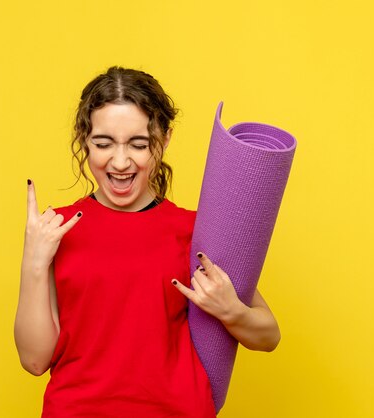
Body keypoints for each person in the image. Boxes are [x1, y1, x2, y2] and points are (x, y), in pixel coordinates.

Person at [14, 66, 281, 417]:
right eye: (103, 143)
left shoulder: (195, 230)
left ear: (165, 139)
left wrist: (232, 311)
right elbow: (34, 360)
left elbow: (268, 335)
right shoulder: (54, 230)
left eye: (139, 144)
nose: (121, 161)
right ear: (84, 139)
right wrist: (34, 261)